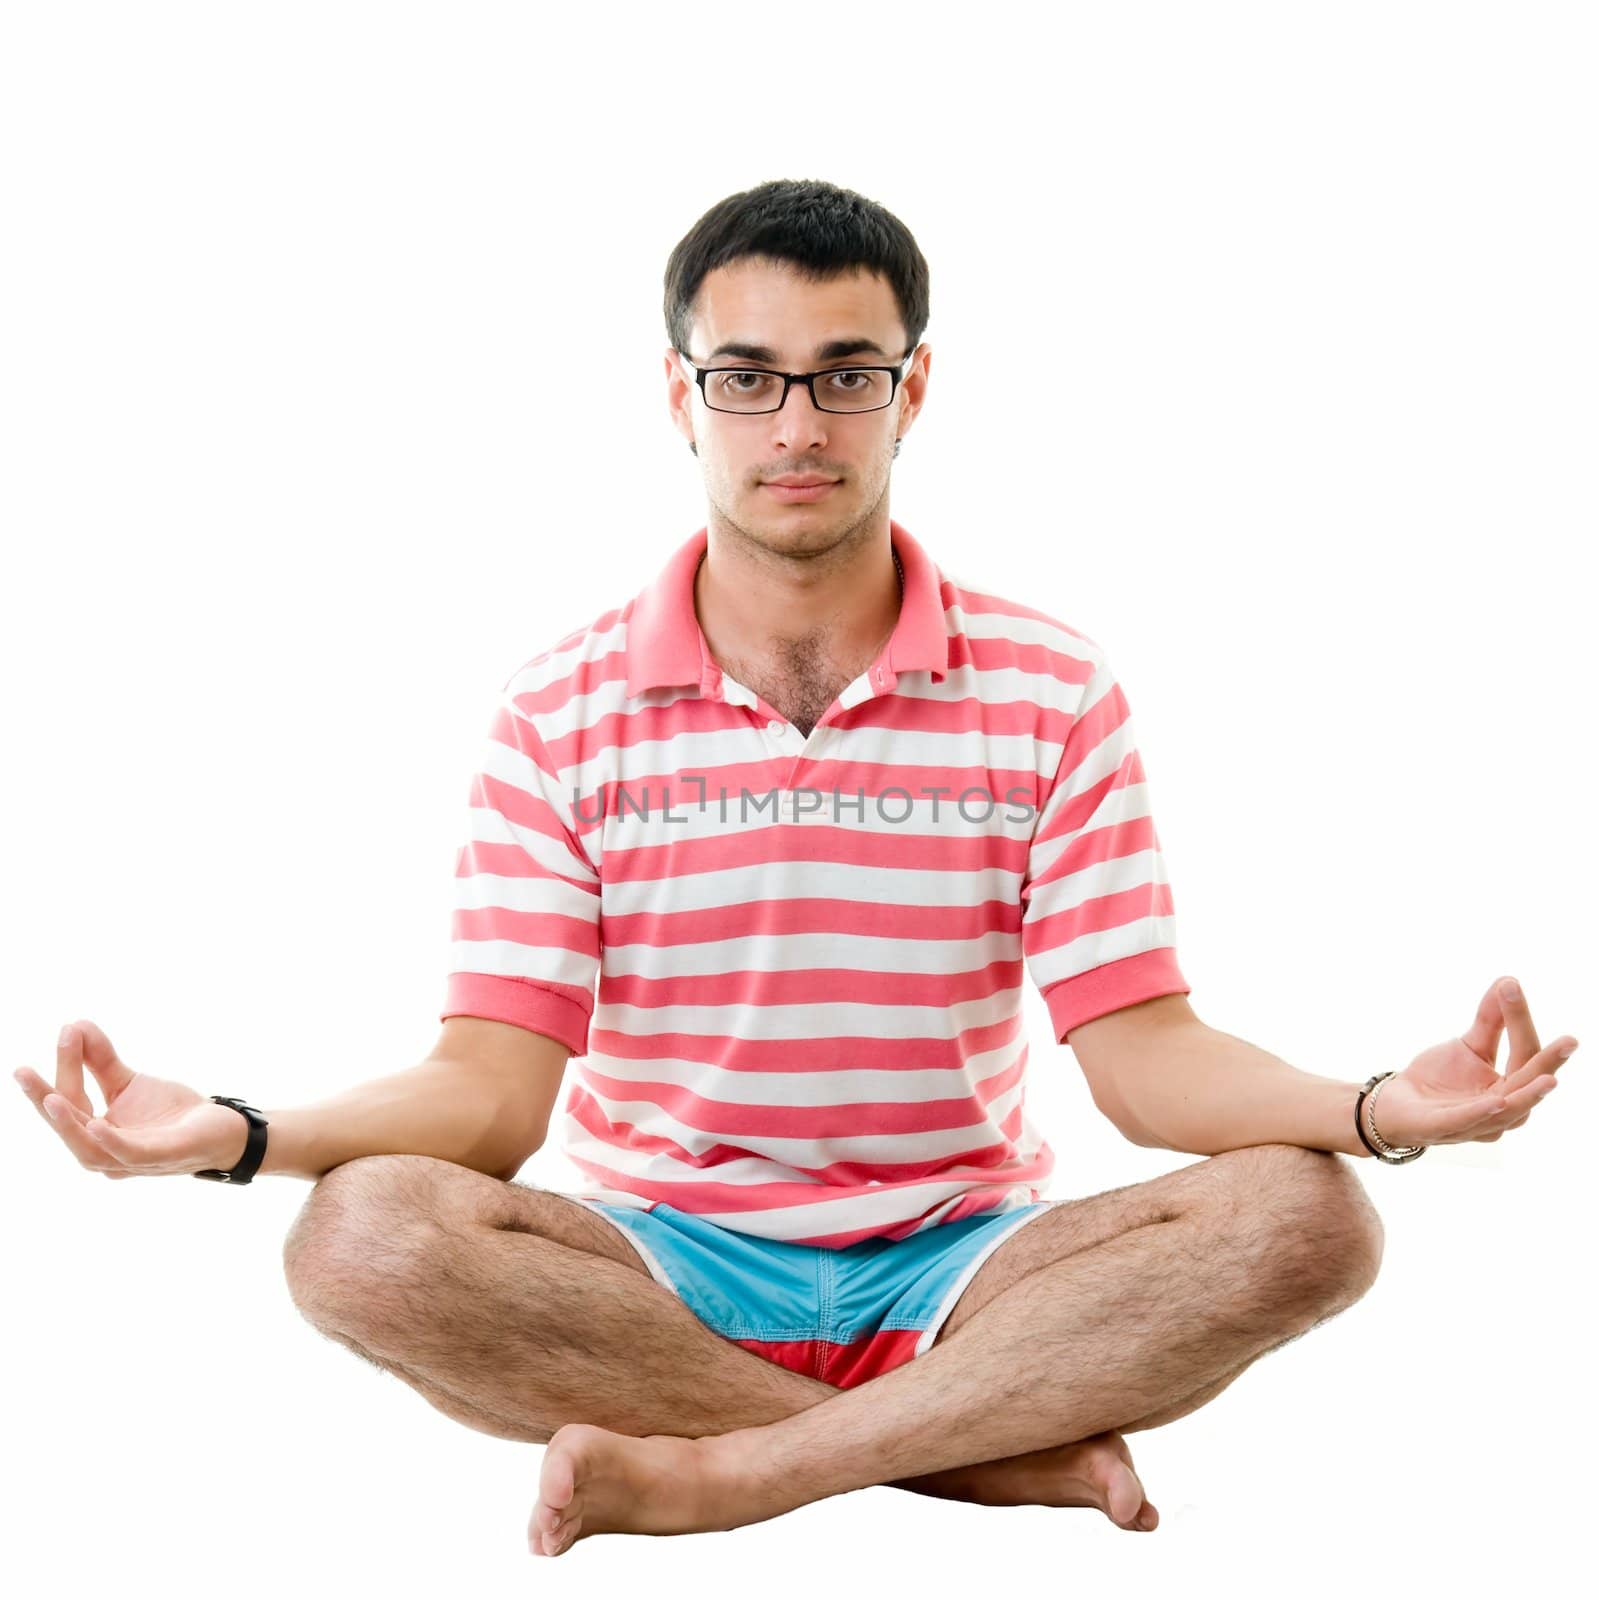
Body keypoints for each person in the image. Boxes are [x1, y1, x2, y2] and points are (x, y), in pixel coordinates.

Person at [15, 178, 1578, 1559]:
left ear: (913, 391)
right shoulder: (560, 709)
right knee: (358, 1234)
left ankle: (743, 1474)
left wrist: (1381, 1114)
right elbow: (491, 1099)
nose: (799, 428)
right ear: (681, 398)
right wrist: (234, 1133)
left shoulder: (1051, 686)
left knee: (1313, 1220)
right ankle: (967, 1454)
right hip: (652, 1260)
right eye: (748, 380)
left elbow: (1147, 1062)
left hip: (974, 1260)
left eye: (846, 378)